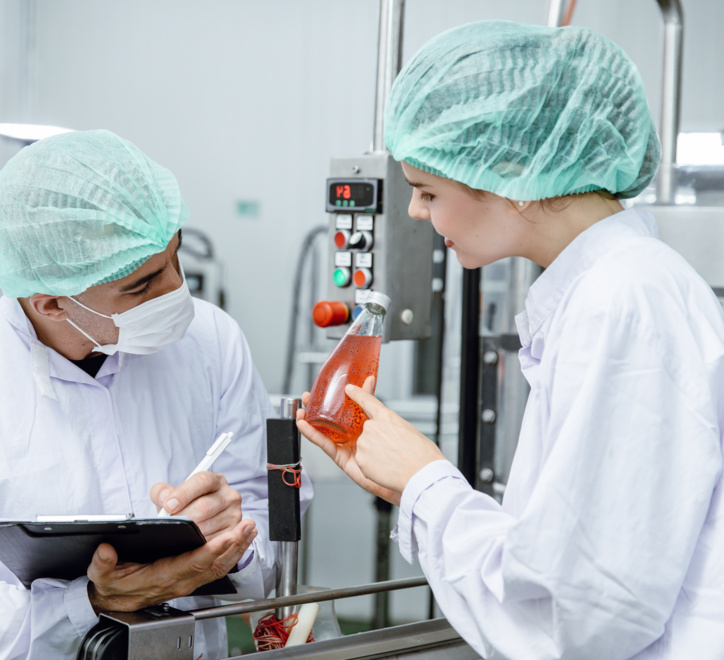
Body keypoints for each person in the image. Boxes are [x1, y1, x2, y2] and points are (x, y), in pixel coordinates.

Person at [297, 21, 724, 660]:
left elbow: (578, 616)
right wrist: (405, 488)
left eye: (427, 191)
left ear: (513, 172)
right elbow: (563, 561)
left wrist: (427, 483)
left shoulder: (623, 303)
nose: (415, 212)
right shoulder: (608, 291)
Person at [0, 130, 312, 660]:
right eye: (141, 285)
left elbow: (270, 543)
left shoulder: (211, 344)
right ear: (51, 303)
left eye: (175, 256)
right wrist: (91, 604)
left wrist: (229, 544)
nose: (177, 289)